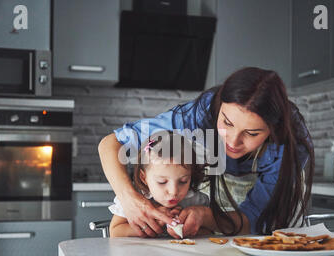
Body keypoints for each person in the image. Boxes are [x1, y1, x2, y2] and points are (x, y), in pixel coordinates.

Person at [99, 67, 315, 238]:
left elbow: (256, 219)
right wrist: (130, 199)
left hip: (271, 221)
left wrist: (206, 215)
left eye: (251, 133)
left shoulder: (290, 145)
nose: (233, 141)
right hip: (224, 217)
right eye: (227, 122)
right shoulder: (198, 114)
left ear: (272, 131)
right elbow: (111, 143)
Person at [109, 131, 211, 238]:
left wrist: (185, 229)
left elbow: (208, 233)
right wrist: (151, 225)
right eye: (162, 182)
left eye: (183, 181)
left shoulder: (196, 200)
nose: (173, 191)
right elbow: (115, 231)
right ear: (144, 178)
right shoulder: (133, 199)